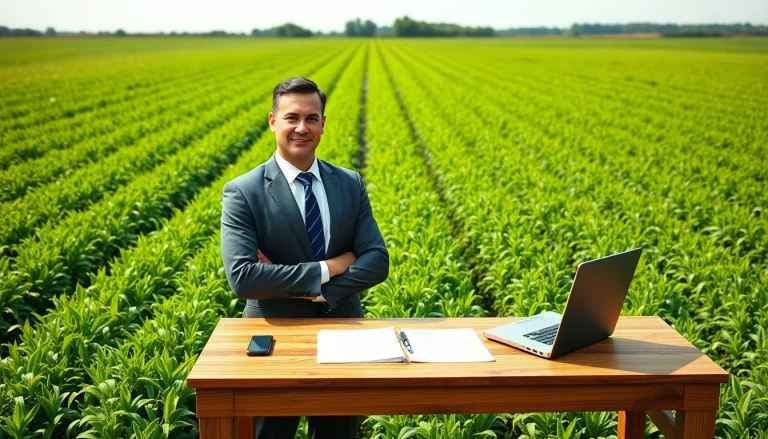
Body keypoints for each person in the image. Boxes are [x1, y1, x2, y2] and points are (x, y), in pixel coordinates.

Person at [220, 76, 389, 439]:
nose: (302, 127)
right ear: (272, 122)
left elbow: (377, 259)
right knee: (270, 434)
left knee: (338, 434)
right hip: (273, 336)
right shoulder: (244, 191)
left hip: (342, 329)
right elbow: (244, 278)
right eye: (291, 117)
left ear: (323, 124)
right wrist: (331, 266)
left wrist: (323, 291)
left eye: (312, 118)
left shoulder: (349, 182)